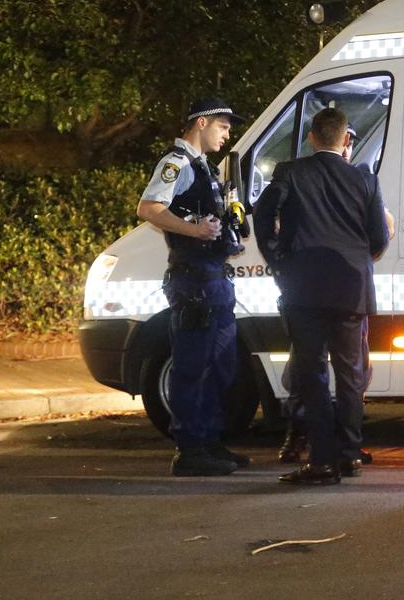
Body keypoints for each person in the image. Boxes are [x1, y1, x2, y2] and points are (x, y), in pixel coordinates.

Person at [255, 108, 389, 485]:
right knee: (351, 376)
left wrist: (278, 258)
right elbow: (378, 237)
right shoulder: (365, 180)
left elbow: (263, 215)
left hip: (305, 288)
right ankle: (350, 455)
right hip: (351, 288)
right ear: (346, 139)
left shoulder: (291, 173)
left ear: (312, 138)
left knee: (312, 374)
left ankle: (322, 461)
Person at [136, 97, 251, 477]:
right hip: (193, 278)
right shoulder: (177, 163)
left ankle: (210, 442)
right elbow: (149, 208)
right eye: (222, 126)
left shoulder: (203, 167)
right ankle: (190, 450)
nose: (227, 133)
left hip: (213, 277)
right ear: (201, 123)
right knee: (193, 365)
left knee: (220, 365)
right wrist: (196, 230)